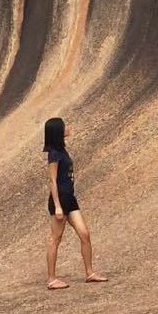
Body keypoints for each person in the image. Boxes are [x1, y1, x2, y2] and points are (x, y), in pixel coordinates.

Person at [43, 116, 108, 290]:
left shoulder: (62, 150)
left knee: (85, 234)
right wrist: (57, 206)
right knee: (56, 239)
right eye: (64, 127)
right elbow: (52, 180)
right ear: (58, 131)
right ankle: (51, 279)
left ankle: (89, 273)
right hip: (60, 200)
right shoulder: (54, 154)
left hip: (70, 198)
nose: (67, 128)